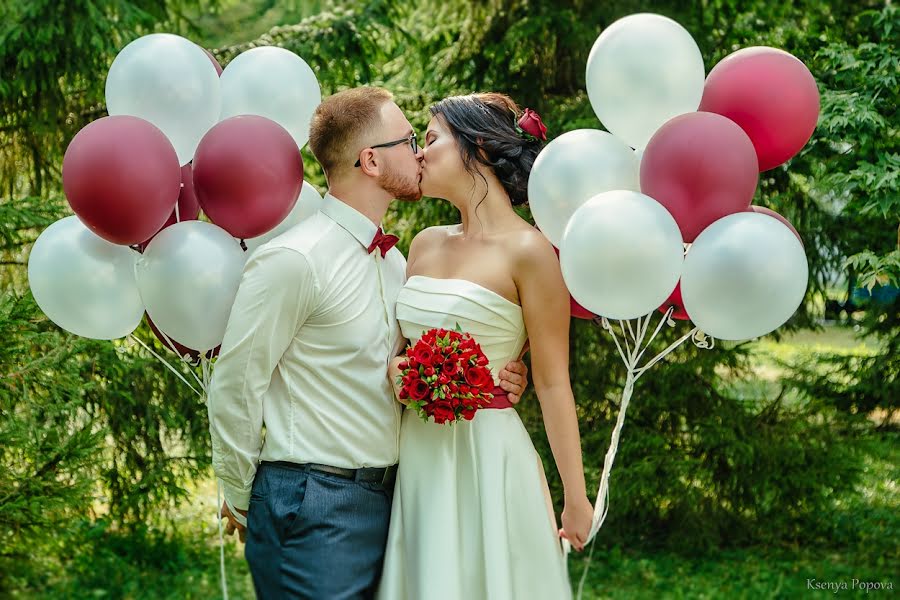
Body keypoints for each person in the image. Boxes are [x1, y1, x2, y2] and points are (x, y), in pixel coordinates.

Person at [207, 86, 529, 600]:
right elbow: (235, 386)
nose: (420, 152)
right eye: (408, 140)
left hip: (397, 501)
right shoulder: (295, 261)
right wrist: (248, 498)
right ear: (371, 161)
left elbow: (412, 367)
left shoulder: (398, 265)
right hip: (311, 502)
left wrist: (499, 374)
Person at [376, 93, 593, 600]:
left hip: (490, 455)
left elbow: (553, 382)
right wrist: (396, 372)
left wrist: (575, 497)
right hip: (420, 459)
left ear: (476, 146)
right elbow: (401, 351)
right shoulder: (425, 243)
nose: (419, 155)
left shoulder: (531, 252)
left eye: (430, 140)